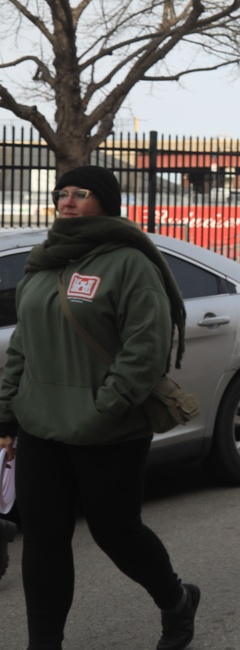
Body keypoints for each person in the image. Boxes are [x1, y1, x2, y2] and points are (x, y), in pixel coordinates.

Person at [0, 165, 200, 650]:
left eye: (80, 194)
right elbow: (25, 340)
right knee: (44, 542)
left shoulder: (130, 263)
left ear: (106, 203)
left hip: (107, 429)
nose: (67, 201)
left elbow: (145, 349)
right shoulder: (44, 260)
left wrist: (103, 409)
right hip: (42, 426)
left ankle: (176, 601)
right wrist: (7, 408)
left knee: (117, 533)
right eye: (61, 193)